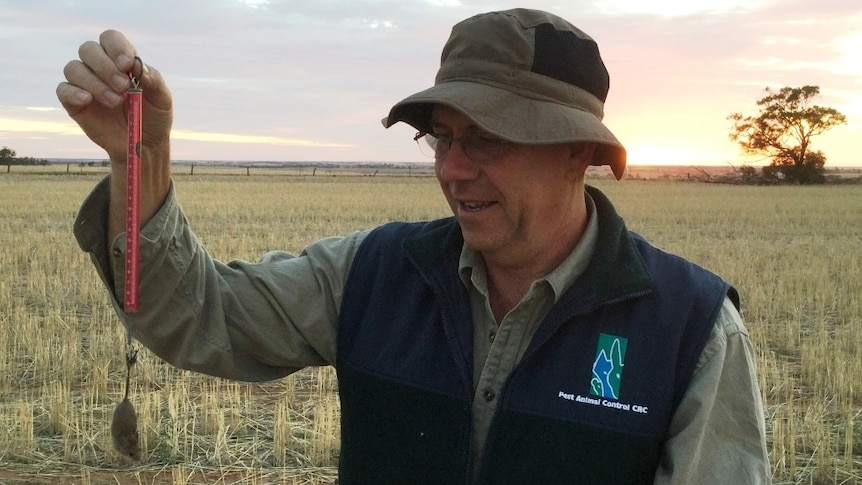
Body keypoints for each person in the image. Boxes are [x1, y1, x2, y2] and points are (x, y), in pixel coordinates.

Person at [59, 8, 771, 484]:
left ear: (576, 152)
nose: (453, 168)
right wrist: (140, 159)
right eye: (443, 137)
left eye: (488, 138)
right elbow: (200, 315)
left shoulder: (691, 330)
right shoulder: (372, 275)